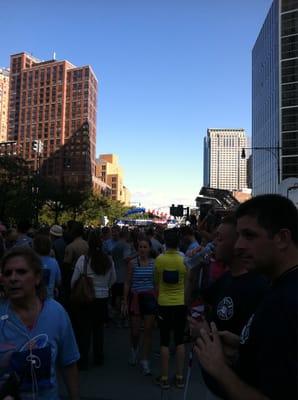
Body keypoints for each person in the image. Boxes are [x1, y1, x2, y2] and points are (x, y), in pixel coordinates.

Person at [195, 194, 298, 400]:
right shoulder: (277, 287)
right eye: (239, 235)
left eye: (249, 236)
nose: (238, 246)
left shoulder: (290, 299)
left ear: (282, 238)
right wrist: (243, 347)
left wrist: (219, 369)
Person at [189, 215, 269, 399]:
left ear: (237, 244)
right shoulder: (226, 279)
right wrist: (193, 268)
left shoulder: (259, 287)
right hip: (215, 384)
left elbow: (256, 349)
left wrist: (205, 332)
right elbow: (192, 299)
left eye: (219, 238)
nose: (213, 242)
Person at [0, 247, 80, 399]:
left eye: (21, 272)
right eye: (7, 273)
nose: (13, 278)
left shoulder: (56, 313)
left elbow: (69, 363)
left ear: (37, 278)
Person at [71, 230, 116, 369]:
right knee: (98, 329)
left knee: (84, 330)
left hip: (86, 298)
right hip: (102, 298)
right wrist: (105, 287)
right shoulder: (108, 260)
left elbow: (73, 280)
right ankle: (98, 357)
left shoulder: (83, 260)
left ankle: (83, 359)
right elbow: (112, 279)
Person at [154, 229, 187, 389]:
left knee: (164, 341)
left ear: (165, 242)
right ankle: (180, 377)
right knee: (180, 340)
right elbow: (188, 281)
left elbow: (156, 282)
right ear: (178, 242)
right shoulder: (184, 260)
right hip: (180, 303)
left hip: (164, 304)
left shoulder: (159, 260)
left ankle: (165, 377)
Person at [122, 238, 157, 375]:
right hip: (135, 297)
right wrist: (125, 300)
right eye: (140, 247)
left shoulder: (154, 263)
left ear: (149, 249)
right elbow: (127, 282)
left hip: (149, 297)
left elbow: (155, 282)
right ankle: (134, 349)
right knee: (135, 331)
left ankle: (145, 360)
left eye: (145, 247)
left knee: (148, 331)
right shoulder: (132, 263)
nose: (142, 249)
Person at [33, 234, 61, 299]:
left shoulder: (30, 261)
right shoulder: (54, 262)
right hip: (48, 297)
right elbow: (58, 281)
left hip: (33, 299)